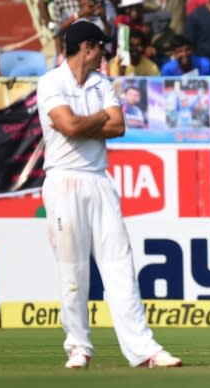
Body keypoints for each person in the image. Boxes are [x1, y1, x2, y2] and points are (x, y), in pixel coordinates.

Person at [36, 20, 182, 369]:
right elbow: (67, 126)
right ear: (86, 47)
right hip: (63, 180)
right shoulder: (50, 82)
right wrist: (96, 119)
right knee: (73, 271)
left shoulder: (101, 83)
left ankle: (143, 350)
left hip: (99, 180)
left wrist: (88, 120)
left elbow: (117, 125)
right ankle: (78, 347)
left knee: (121, 267)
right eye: (100, 46)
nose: (104, 53)